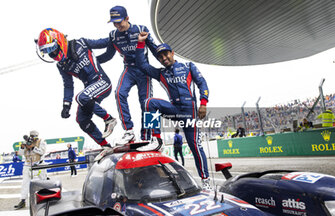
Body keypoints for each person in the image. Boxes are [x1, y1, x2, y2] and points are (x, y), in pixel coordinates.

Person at [135, 33, 211, 189]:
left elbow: (202, 83)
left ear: (172, 53)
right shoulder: (161, 73)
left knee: (195, 146)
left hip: (190, 112)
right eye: (160, 57)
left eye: (165, 54)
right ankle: (156, 140)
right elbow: (141, 65)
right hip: (174, 110)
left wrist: (203, 103)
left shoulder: (189, 67)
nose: (163, 58)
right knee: (149, 102)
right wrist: (141, 44)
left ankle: (206, 181)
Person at [36, 28, 117, 155]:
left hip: (102, 82)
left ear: (59, 41)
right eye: (47, 51)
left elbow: (106, 42)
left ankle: (109, 120)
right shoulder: (61, 65)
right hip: (89, 91)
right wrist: (66, 105)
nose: (52, 54)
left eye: (52, 48)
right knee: (81, 119)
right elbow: (68, 85)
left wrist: (121, 35)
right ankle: (106, 147)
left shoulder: (81, 43)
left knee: (81, 97)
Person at [97, 5, 158, 144]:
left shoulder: (141, 29)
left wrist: (167, 64)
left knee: (147, 103)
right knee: (119, 93)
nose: (117, 25)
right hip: (129, 70)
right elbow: (108, 55)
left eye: (119, 21)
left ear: (127, 18)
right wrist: (93, 61)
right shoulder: (113, 35)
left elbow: (154, 49)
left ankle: (147, 136)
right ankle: (129, 131)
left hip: (144, 70)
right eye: (114, 22)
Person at [14, 130, 47, 209]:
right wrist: (22, 148)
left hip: (39, 164)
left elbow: (42, 152)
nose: (32, 137)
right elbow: (21, 153)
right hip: (28, 165)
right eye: (31, 136)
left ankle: (47, 198)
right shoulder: (25, 142)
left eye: (34, 136)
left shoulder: (41, 142)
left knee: (44, 182)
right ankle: (23, 200)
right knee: (25, 183)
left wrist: (33, 147)